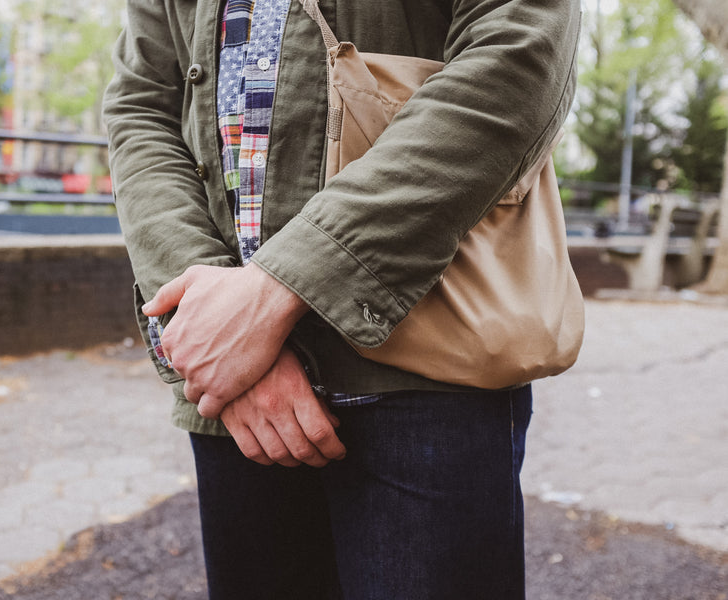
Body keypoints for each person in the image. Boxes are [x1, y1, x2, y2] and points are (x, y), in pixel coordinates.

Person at [103, 0, 580, 597]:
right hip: (233, 390)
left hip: (426, 368)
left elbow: (519, 57)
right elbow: (142, 107)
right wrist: (207, 317)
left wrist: (274, 291)